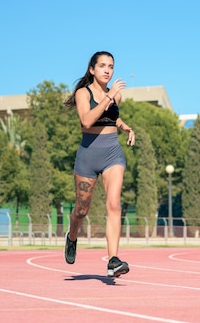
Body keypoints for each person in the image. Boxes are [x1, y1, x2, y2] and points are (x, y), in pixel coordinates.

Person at [62, 51, 135, 277]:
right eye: (102, 65)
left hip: (112, 152)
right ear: (92, 69)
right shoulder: (83, 93)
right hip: (88, 155)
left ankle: (113, 260)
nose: (107, 70)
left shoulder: (116, 96)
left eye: (111, 66)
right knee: (81, 210)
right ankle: (72, 236)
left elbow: (111, 116)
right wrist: (109, 95)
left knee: (114, 204)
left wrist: (124, 126)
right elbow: (87, 120)